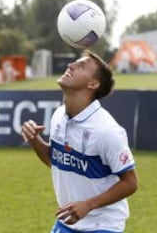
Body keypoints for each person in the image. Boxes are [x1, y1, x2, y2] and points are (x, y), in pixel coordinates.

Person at [21, 50, 138, 233]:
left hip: (103, 226)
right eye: (74, 63)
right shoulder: (59, 115)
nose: (70, 65)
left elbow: (130, 182)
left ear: (93, 83)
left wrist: (89, 205)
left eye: (81, 66)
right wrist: (34, 139)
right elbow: (55, 161)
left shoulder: (107, 131)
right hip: (67, 222)